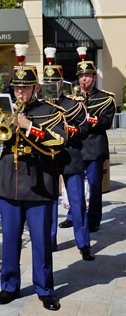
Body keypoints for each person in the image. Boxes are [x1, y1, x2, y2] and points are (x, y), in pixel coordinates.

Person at [0, 44, 66, 311]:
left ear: (35, 88)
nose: (20, 92)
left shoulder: (50, 111)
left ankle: (45, 288)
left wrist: (28, 126)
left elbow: (59, 141)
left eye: (25, 88)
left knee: (40, 240)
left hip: (39, 183)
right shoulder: (5, 110)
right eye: (17, 88)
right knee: (10, 240)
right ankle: (9, 285)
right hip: (9, 183)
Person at [42, 47, 94, 261]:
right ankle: (50, 241)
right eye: (48, 83)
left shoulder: (74, 104)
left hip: (71, 157)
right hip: (47, 158)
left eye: (55, 82)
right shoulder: (40, 106)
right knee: (48, 202)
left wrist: (70, 129)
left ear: (62, 84)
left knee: (78, 202)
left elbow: (85, 130)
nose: (52, 86)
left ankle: (83, 244)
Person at [74, 47, 116, 233]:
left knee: (94, 186)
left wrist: (87, 117)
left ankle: (94, 220)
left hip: (94, 147)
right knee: (72, 188)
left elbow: (106, 122)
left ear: (94, 77)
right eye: (81, 76)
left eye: (88, 75)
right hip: (75, 147)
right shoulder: (73, 97)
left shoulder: (106, 98)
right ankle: (72, 216)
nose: (84, 79)